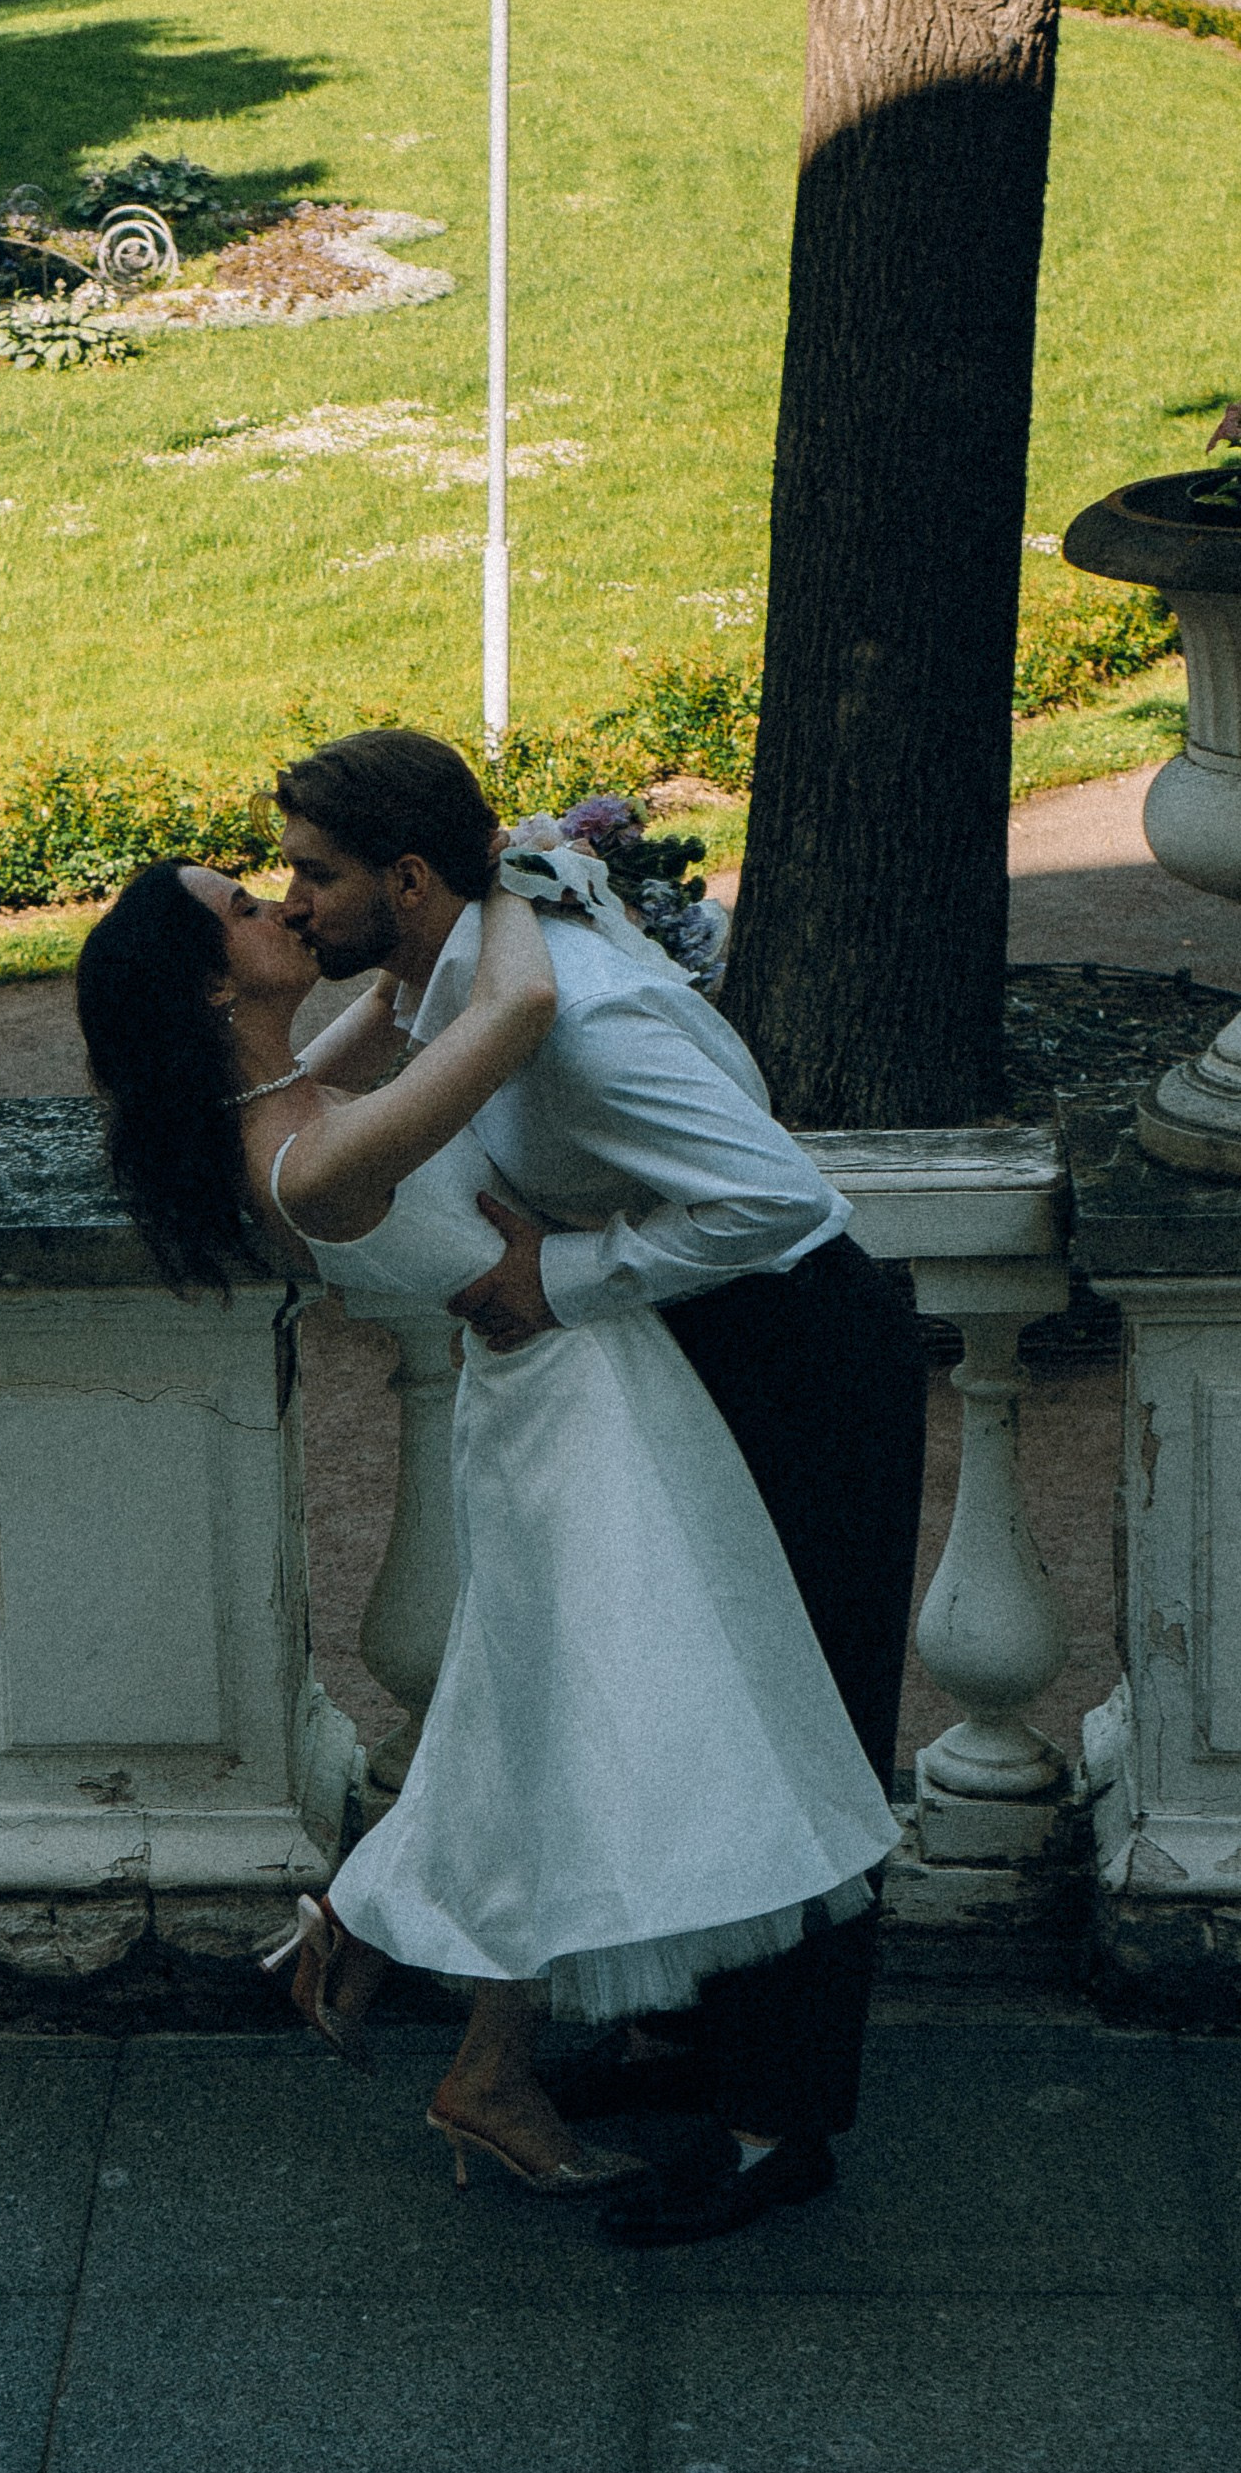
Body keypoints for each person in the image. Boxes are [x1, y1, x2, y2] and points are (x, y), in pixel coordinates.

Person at [75, 850, 898, 2212]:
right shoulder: (319, 1154)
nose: (281, 904)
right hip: (579, 1418)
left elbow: (402, 1017)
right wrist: (500, 878)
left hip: (564, 1400)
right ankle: (441, 2004)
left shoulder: (281, 1095)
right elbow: (507, 1014)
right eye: (243, 907)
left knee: (544, 1732)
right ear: (215, 981)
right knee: (607, 1737)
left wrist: (480, 879)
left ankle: (409, 1981)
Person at [272, 726, 928, 2242]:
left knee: (791, 1722)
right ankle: (694, 2045)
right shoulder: (469, 969)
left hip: (794, 1356)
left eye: (314, 874)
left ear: (412, 877)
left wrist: (559, 1276)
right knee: (686, 1708)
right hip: (691, 1347)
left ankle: (780, 2129)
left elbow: (779, 1193)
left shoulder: (582, 1023)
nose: (292, 899)